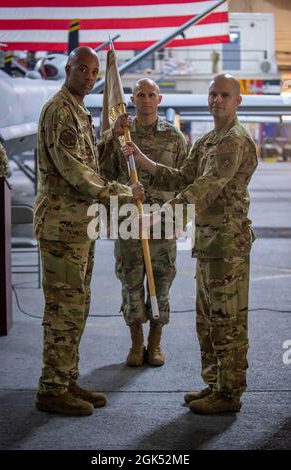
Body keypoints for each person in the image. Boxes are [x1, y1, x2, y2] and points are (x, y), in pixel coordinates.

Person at [123, 74, 258, 414]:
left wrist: (158, 216)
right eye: (213, 94)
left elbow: (205, 188)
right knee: (207, 318)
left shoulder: (234, 140)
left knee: (227, 319)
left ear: (237, 100)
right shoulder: (207, 140)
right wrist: (142, 159)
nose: (217, 100)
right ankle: (214, 384)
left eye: (225, 95)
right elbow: (183, 175)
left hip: (228, 244)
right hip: (209, 242)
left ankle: (229, 393)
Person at [34, 46, 143, 416]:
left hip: (80, 225)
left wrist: (111, 135)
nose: (90, 76)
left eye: (95, 72)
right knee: (63, 308)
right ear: (67, 69)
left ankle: (66, 379)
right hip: (61, 226)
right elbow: (77, 173)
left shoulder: (79, 110)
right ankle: (51, 388)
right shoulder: (59, 110)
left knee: (77, 306)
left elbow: (89, 159)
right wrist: (126, 193)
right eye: (83, 69)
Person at [99, 78, 187, 367]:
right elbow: (104, 174)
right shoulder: (122, 135)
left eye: (151, 94)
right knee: (131, 283)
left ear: (159, 100)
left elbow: (183, 181)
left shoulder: (174, 137)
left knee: (161, 284)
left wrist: (180, 219)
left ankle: (156, 343)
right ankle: (136, 344)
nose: (146, 99)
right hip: (130, 222)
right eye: (140, 94)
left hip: (162, 224)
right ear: (132, 99)